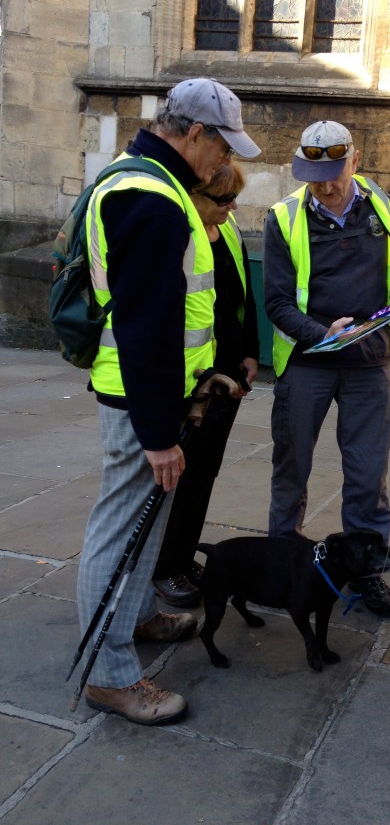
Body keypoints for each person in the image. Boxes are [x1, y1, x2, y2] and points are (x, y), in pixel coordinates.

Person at [76, 78, 260, 726]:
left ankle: (134, 621)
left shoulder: (155, 186)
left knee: (143, 525)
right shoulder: (149, 196)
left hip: (154, 395)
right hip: (138, 400)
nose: (222, 164)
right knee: (119, 527)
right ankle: (109, 676)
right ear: (193, 134)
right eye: (221, 146)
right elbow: (146, 325)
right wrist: (159, 434)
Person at [263, 120, 390, 616]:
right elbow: (276, 302)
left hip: (369, 361)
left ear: (355, 161)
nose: (327, 185)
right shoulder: (284, 218)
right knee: (291, 469)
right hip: (309, 363)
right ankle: (281, 563)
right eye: (315, 175)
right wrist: (321, 334)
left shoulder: (379, 204)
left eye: (335, 172)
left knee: (367, 474)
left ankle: (364, 574)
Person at [152, 161, 260, 607]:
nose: (232, 207)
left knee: (205, 473)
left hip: (227, 374)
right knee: (178, 476)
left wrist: (250, 351)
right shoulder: (177, 233)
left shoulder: (227, 228)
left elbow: (243, 294)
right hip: (189, 380)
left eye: (234, 197)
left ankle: (182, 557)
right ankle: (162, 567)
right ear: (194, 196)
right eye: (222, 199)